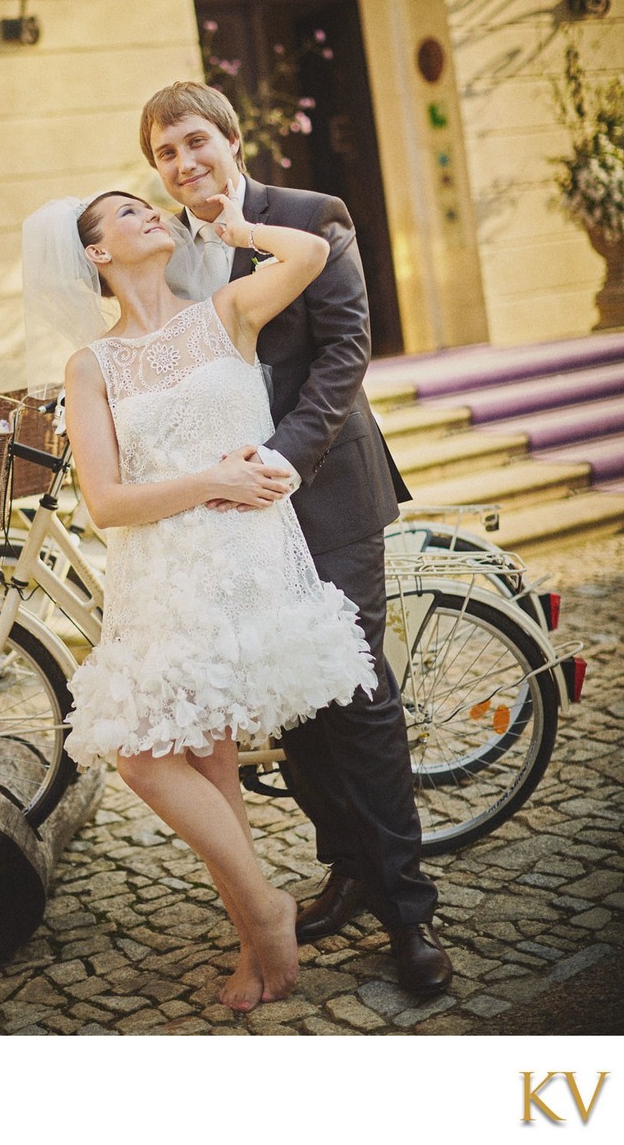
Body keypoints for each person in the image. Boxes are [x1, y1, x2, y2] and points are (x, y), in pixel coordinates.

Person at [137, 81, 453, 996]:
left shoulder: (310, 215)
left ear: (232, 140)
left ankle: (409, 911)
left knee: (353, 695)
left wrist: (281, 458)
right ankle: (347, 869)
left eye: (195, 142)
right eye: (164, 154)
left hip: (324, 494)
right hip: (236, 516)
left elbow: (344, 350)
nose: (184, 163)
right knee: (291, 701)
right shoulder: (168, 251)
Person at [36, 189, 378, 1013]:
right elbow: (107, 501)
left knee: (202, 757)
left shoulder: (225, 311)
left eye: (149, 205)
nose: (149, 210)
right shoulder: (93, 365)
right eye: (124, 212)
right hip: (161, 573)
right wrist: (212, 479)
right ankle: (264, 917)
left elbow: (309, 254)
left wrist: (236, 229)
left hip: (249, 559)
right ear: (97, 254)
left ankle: (260, 933)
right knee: (154, 758)